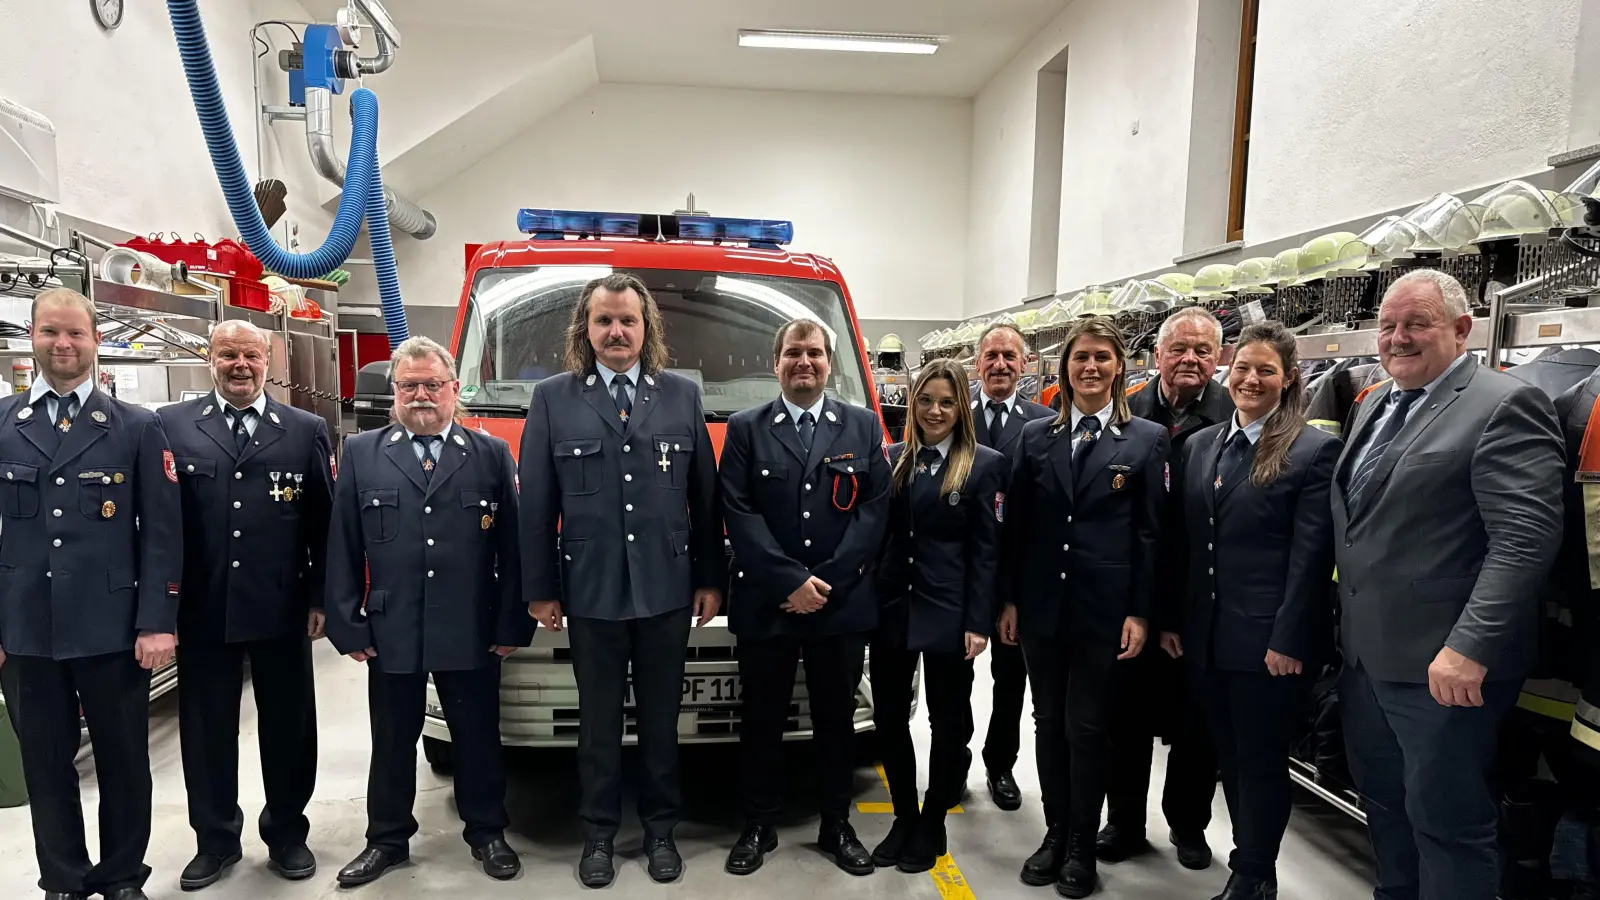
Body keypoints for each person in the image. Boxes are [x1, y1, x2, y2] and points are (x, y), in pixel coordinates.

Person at [1335, 269, 1564, 900]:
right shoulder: (1375, 404)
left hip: (1445, 669)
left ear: (1462, 329)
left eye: (1417, 324)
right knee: (1384, 807)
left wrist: (1470, 648)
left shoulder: (1505, 403)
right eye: (1387, 326)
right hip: (1366, 659)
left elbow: (1523, 540)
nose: (1398, 338)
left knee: (1448, 823)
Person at [519, 273, 724, 888]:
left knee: (663, 722)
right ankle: (599, 836)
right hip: (591, 592)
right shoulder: (553, 399)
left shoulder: (681, 396)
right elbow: (537, 506)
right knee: (598, 724)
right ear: (586, 329)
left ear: (646, 328)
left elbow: (704, 498)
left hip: (666, 590)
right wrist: (542, 587)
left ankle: (662, 832)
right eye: (604, 320)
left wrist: (710, 577)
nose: (616, 331)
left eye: (628, 321)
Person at [324, 336, 529, 887]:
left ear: (453, 390)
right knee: (392, 739)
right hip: (392, 627)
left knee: (477, 736)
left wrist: (512, 620)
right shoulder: (362, 453)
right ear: (393, 392)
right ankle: (387, 839)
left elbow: (513, 549)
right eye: (408, 385)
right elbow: (342, 546)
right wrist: (347, 623)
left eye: (431, 385)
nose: (420, 395)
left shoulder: (490, 455)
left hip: (472, 624)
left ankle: (487, 832)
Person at [0, 288, 182, 900]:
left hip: (112, 627)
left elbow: (162, 533)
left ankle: (123, 875)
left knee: (125, 761)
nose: (63, 344)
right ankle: (64, 879)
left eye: (75, 333)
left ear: (96, 340)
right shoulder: (2, 423)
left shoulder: (135, 426)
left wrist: (157, 620)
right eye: (51, 332)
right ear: (33, 336)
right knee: (45, 766)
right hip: (27, 630)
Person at [1165, 321, 1339, 900]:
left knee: (1261, 763)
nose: (1250, 379)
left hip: (1270, 646)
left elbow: (1311, 560)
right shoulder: (1199, 445)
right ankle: (1247, 859)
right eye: (1242, 368)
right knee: (1230, 759)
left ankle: (1255, 875)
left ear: (1289, 379)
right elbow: (1187, 546)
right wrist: (1173, 620)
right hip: (1206, 638)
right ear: (1227, 371)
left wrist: (1289, 639)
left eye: (1265, 370)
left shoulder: (1312, 451)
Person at [159, 321, 333, 890]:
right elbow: (160, 528)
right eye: (228, 354)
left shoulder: (305, 430)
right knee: (206, 729)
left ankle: (286, 833)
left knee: (288, 726)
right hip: (203, 607)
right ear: (210, 359)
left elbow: (323, 525)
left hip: (280, 606)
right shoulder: (172, 426)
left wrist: (319, 598)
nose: (240, 365)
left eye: (251, 355)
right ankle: (215, 839)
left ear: (268, 361)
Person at [999, 317, 1167, 898]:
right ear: (1063, 368)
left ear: (1119, 366)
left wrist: (1141, 612)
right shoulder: (1036, 437)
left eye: (1101, 357)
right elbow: (1015, 528)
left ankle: (1080, 846)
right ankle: (1052, 834)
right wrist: (1011, 599)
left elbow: (1150, 536)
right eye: (1079, 358)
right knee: (1048, 723)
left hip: (1104, 610)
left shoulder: (1145, 439)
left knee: (1088, 726)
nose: (1089, 368)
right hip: (1043, 608)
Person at [720, 318, 891, 877]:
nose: (804, 362)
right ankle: (758, 823)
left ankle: (836, 824)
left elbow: (873, 512)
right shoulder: (747, 428)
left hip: (838, 608)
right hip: (768, 603)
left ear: (828, 363)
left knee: (836, 720)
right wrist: (787, 582)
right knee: (762, 718)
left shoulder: (863, 427)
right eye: (793, 352)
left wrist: (826, 585)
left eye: (815, 353)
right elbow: (739, 512)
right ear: (776, 363)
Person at [1101, 306, 1229, 869]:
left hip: (1199, 599)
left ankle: (1189, 826)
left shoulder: (1235, 413)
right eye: (1179, 348)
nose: (1190, 360)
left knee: (1195, 724)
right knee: (1123, 718)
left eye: (1203, 350)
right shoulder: (1122, 411)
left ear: (1218, 358)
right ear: (1156, 355)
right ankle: (1124, 824)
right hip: (1131, 593)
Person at [871, 358, 1007, 873]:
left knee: (947, 722)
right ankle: (904, 816)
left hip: (951, 612)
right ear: (913, 402)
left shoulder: (984, 464)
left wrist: (979, 620)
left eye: (947, 402)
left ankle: (933, 821)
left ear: (962, 408)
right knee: (889, 718)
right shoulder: (893, 458)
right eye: (926, 400)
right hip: (893, 608)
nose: (935, 411)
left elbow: (987, 552)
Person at [969, 322, 1053, 812]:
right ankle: (952, 761)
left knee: (1010, 679)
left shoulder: (1046, 421)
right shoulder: (953, 415)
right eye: (991, 356)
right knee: (953, 676)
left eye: (1009, 356)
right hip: (962, 571)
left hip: (1016, 570)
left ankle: (1000, 765)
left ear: (1025, 365)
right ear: (978, 364)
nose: (1000, 364)